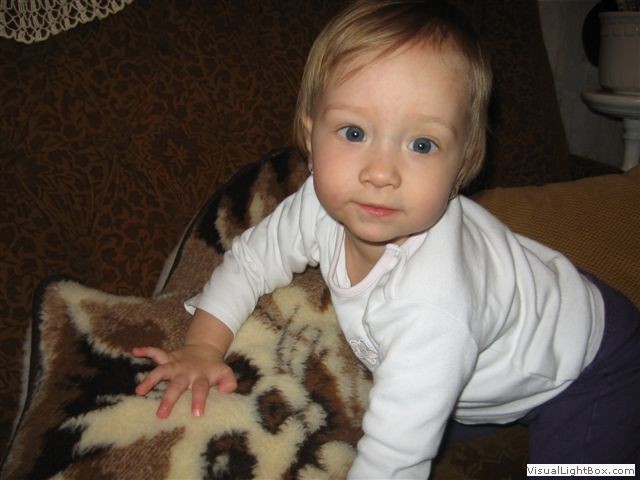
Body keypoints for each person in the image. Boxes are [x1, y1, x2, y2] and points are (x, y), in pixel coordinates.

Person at [133, 0, 640, 477]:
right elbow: (249, 261)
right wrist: (202, 347)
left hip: (591, 369)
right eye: (354, 133)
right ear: (310, 137)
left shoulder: (433, 306)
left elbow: (396, 462)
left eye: (422, 144)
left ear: (463, 164)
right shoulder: (316, 206)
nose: (380, 173)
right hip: (491, 348)